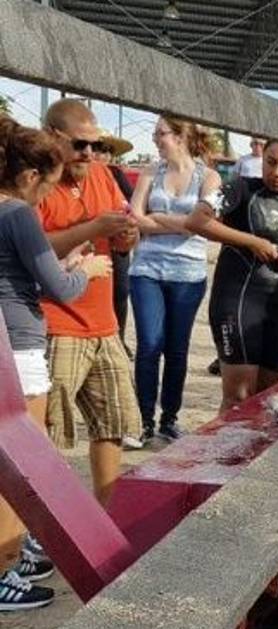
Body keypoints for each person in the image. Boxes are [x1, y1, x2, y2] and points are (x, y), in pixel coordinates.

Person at [0, 116, 110, 610]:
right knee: (21, 467)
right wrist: (85, 270)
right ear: (29, 178)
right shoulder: (19, 215)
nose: (46, 198)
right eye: (45, 187)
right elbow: (59, 288)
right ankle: (5, 568)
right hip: (20, 348)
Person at [38, 99, 142, 505]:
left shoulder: (102, 175)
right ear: (53, 137)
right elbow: (27, 244)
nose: (89, 154)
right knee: (48, 432)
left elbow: (123, 232)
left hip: (103, 322)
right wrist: (94, 228)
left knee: (112, 422)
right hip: (57, 321)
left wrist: (125, 236)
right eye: (80, 145)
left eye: (95, 146)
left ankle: (105, 515)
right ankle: (40, 528)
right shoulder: (37, 180)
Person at [186, 140, 278, 412]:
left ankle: (251, 457)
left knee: (265, 401)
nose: (277, 172)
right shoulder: (240, 187)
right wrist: (251, 241)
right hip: (237, 301)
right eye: (271, 163)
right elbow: (196, 220)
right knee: (239, 398)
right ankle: (222, 455)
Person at [128, 117, 222, 442]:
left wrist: (157, 220)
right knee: (149, 345)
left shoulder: (209, 177)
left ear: (181, 136)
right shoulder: (150, 172)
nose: (155, 139)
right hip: (146, 270)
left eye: (161, 134)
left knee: (177, 348)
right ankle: (143, 419)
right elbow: (135, 216)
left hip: (188, 273)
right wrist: (181, 222)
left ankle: (169, 417)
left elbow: (203, 222)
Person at [95, 130, 135, 352]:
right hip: (90, 241)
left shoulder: (115, 175)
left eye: (107, 150)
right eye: (99, 148)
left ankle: (118, 337)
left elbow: (131, 204)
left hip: (116, 239)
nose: (102, 155)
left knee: (120, 290)